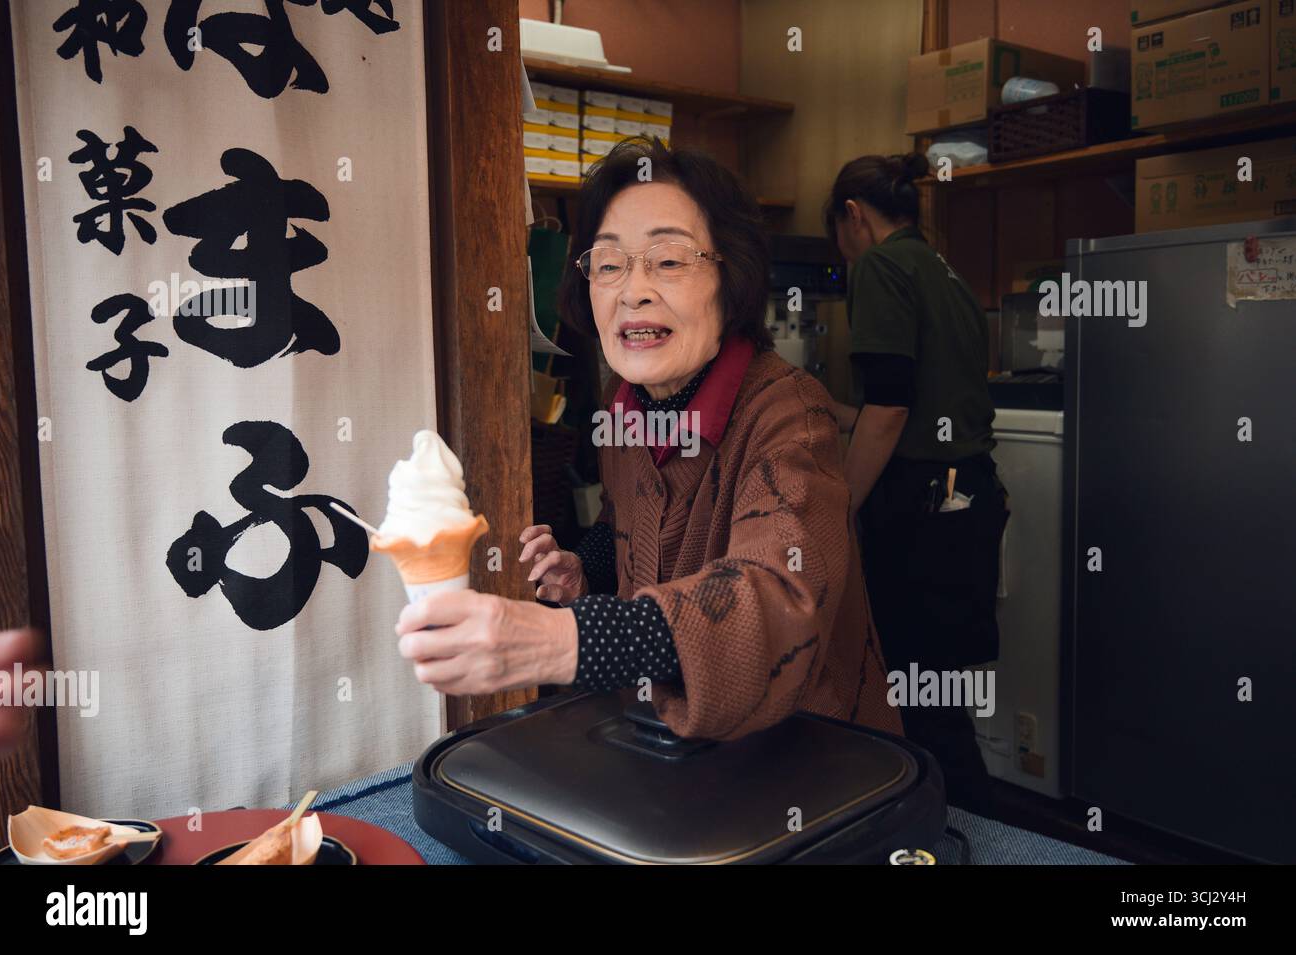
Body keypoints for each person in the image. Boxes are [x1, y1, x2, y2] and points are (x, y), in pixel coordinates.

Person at [397, 136, 901, 741]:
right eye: (608, 265)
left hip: (804, 766)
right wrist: (584, 569)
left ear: (731, 279)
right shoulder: (626, 407)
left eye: (667, 260)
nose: (632, 289)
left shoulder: (792, 414)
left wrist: (567, 640)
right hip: (669, 754)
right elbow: (625, 524)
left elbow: (778, 598)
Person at [823, 152, 1009, 815]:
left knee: (919, 702)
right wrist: (843, 415)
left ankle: (974, 835)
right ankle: (947, 829)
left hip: (922, 508)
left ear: (853, 216)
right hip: (968, 497)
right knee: (936, 694)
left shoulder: (880, 264)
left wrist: (838, 506)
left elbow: (893, 406)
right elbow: (917, 402)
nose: (842, 254)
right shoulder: (944, 269)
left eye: (837, 240)